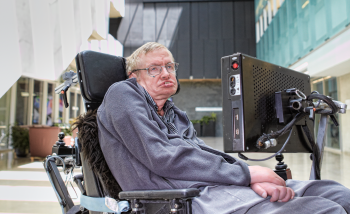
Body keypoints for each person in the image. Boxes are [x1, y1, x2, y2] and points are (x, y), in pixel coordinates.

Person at [97, 42, 350, 213]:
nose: (166, 73)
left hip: (216, 187)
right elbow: (162, 157)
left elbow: (205, 157)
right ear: (134, 77)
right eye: (154, 69)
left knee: (336, 193)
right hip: (181, 198)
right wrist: (249, 175)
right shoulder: (123, 93)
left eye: (170, 66)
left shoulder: (177, 115)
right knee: (325, 210)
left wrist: (247, 180)